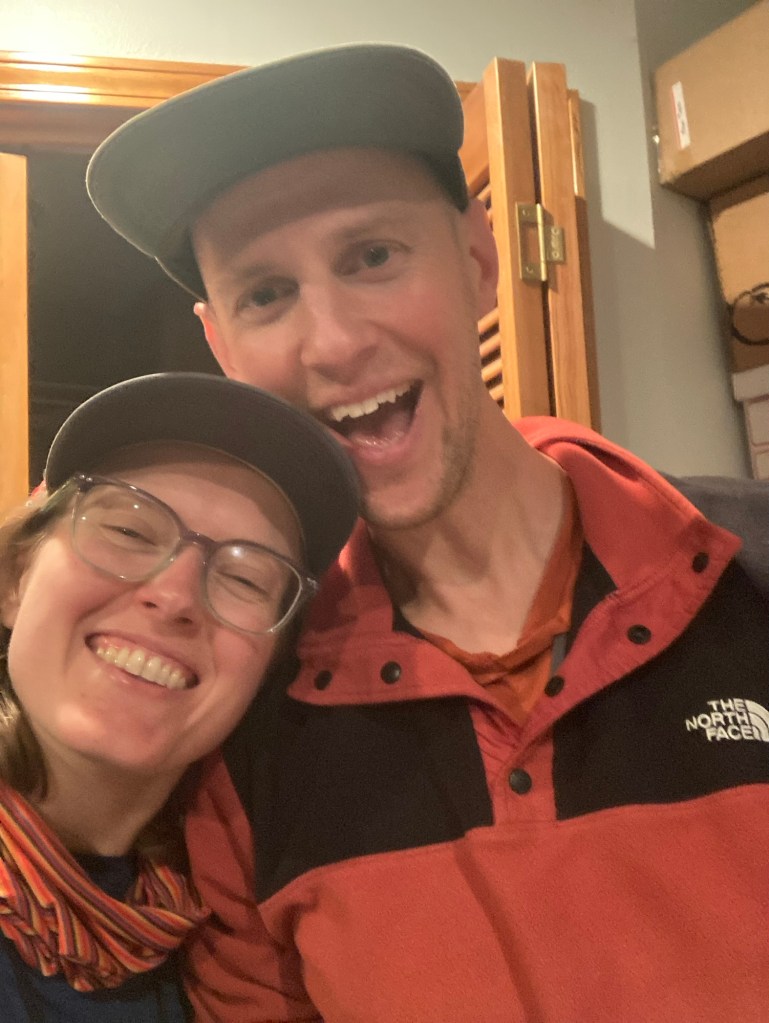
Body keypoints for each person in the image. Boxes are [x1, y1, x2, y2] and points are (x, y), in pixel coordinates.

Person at [86, 44, 769, 1023]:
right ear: (222, 347)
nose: (334, 342)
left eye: (372, 256)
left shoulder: (745, 569)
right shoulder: (243, 720)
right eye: (266, 294)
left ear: (479, 261)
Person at [0, 372, 358, 1022]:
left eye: (245, 578)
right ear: (15, 579)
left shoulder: (238, 940)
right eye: (129, 532)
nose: (174, 596)